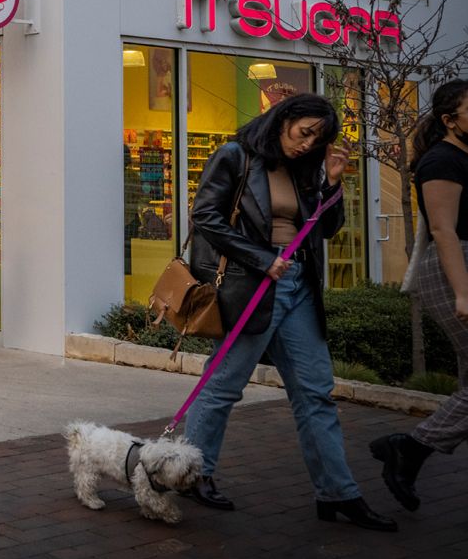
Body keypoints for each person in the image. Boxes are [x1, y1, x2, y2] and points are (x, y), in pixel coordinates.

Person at [182, 92, 395, 531]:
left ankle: (338, 493)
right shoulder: (235, 156)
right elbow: (205, 216)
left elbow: (327, 229)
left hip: (298, 284)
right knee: (223, 384)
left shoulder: (306, 168)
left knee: (316, 393)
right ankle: (193, 473)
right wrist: (261, 259)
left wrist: (333, 183)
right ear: (284, 120)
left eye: (317, 139)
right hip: (253, 284)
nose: (308, 144)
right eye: (304, 133)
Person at [372, 79, 468, 511]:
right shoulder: (440, 161)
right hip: (455, 271)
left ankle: (407, 454)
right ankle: (408, 447)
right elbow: (444, 230)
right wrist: (463, 293)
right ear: (450, 120)